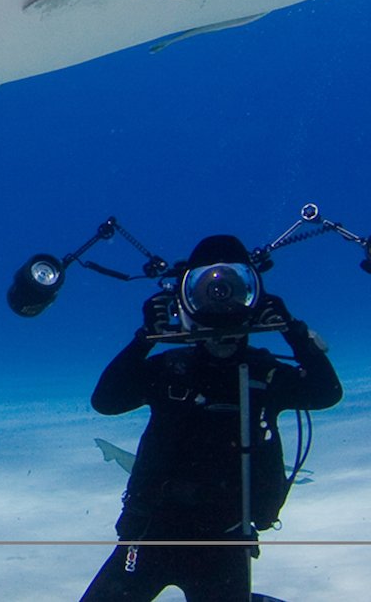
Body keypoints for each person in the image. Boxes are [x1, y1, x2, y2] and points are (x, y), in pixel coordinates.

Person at [80, 235, 342, 602]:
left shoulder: (263, 375)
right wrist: (144, 339)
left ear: (253, 299)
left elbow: (326, 393)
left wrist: (294, 332)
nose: (221, 307)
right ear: (187, 302)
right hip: (151, 533)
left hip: (225, 540)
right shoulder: (170, 370)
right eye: (206, 294)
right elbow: (106, 401)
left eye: (234, 292)